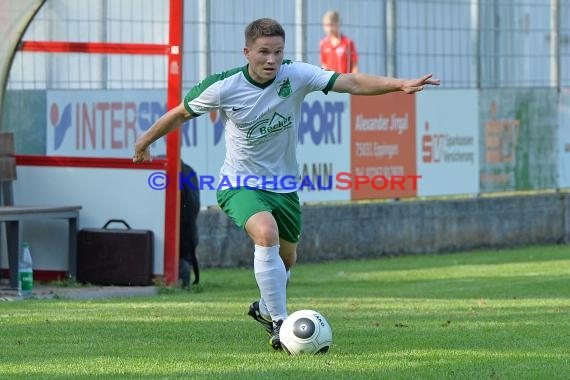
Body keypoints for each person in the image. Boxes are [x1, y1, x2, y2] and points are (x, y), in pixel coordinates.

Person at [133, 18, 439, 351]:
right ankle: (280, 323)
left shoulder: (296, 75)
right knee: (266, 234)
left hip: (284, 186)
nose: (271, 60)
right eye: (263, 52)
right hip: (239, 183)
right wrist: (144, 143)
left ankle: (265, 308)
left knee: (287, 259)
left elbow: (350, 81)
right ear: (247, 52)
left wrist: (399, 84)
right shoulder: (224, 86)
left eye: (278, 52)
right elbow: (179, 113)